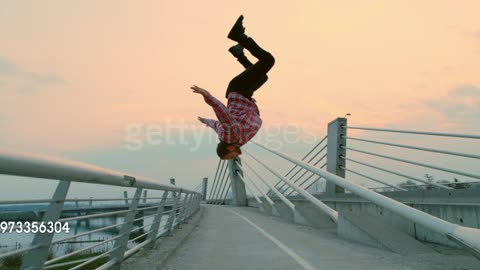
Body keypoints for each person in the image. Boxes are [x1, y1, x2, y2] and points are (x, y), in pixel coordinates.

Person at [191, 15, 275, 160]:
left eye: (232, 156)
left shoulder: (231, 135)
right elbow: (216, 124)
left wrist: (207, 96)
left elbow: (223, 113)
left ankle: (239, 36)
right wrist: (205, 121)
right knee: (263, 77)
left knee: (268, 60)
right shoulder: (228, 137)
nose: (235, 157)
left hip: (240, 89)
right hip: (242, 93)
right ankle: (238, 54)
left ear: (228, 148)